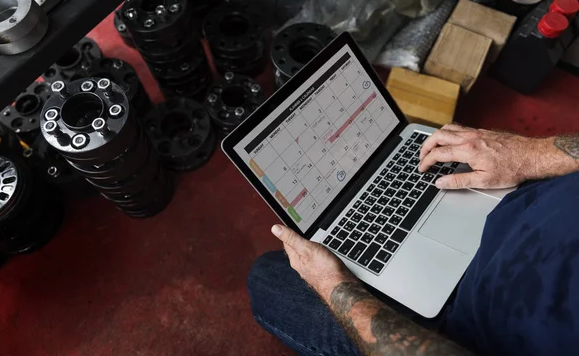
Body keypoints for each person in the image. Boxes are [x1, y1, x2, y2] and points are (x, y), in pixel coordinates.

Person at [247, 124, 579, 356]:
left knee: (268, 278)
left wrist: (332, 283)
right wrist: (529, 155)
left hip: (462, 323)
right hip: (516, 203)